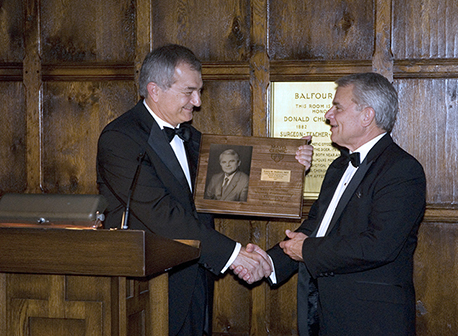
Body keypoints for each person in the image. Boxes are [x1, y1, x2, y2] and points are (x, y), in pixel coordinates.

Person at [96, 44, 312, 336]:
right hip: (149, 289)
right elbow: (160, 214)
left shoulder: (192, 137)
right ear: (155, 90)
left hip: (196, 279)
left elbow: (240, 177)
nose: (197, 102)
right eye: (189, 92)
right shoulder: (121, 138)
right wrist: (234, 254)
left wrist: (291, 165)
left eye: (199, 91)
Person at [236, 72, 426, 335]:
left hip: (371, 320)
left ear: (367, 115)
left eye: (337, 107)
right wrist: (270, 262)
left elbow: (379, 245)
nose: (328, 114)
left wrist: (307, 251)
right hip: (323, 313)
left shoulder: (402, 169)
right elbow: (316, 227)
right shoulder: (338, 166)